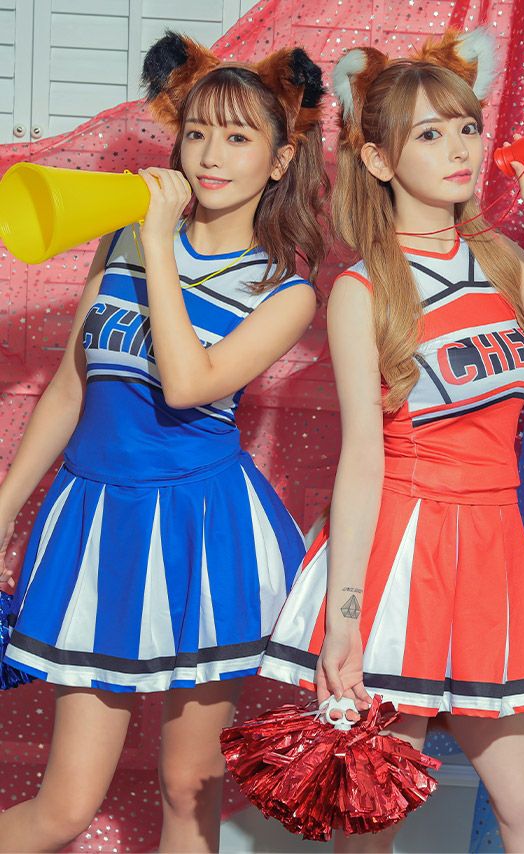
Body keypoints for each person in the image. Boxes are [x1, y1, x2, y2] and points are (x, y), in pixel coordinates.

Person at [259, 28, 524, 853]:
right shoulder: (362, 288)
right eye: (430, 134)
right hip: (402, 553)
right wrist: (346, 620)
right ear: (379, 160)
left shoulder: (495, 257)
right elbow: (363, 460)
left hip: (489, 548)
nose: (460, 149)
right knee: (377, 804)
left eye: (466, 127)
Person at [0, 32, 327, 853]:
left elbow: (186, 385)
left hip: (202, 534)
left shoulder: (282, 291)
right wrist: (3, 508)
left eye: (239, 137)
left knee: (188, 786)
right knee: (65, 807)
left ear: (281, 160)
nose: (210, 155)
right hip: (97, 522)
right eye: (198, 132)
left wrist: (156, 243)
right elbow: (72, 386)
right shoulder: (119, 243)